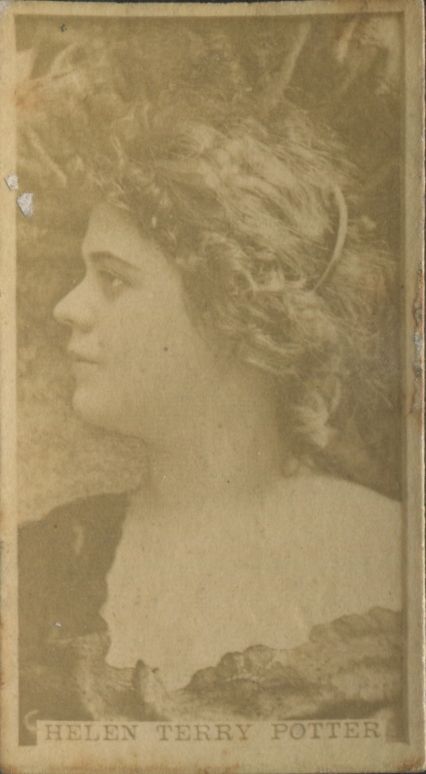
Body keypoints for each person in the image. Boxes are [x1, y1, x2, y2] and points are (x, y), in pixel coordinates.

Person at [18, 22, 402, 743]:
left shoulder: (389, 554)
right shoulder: (50, 555)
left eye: (112, 279)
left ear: (233, 312)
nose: (68, 308)